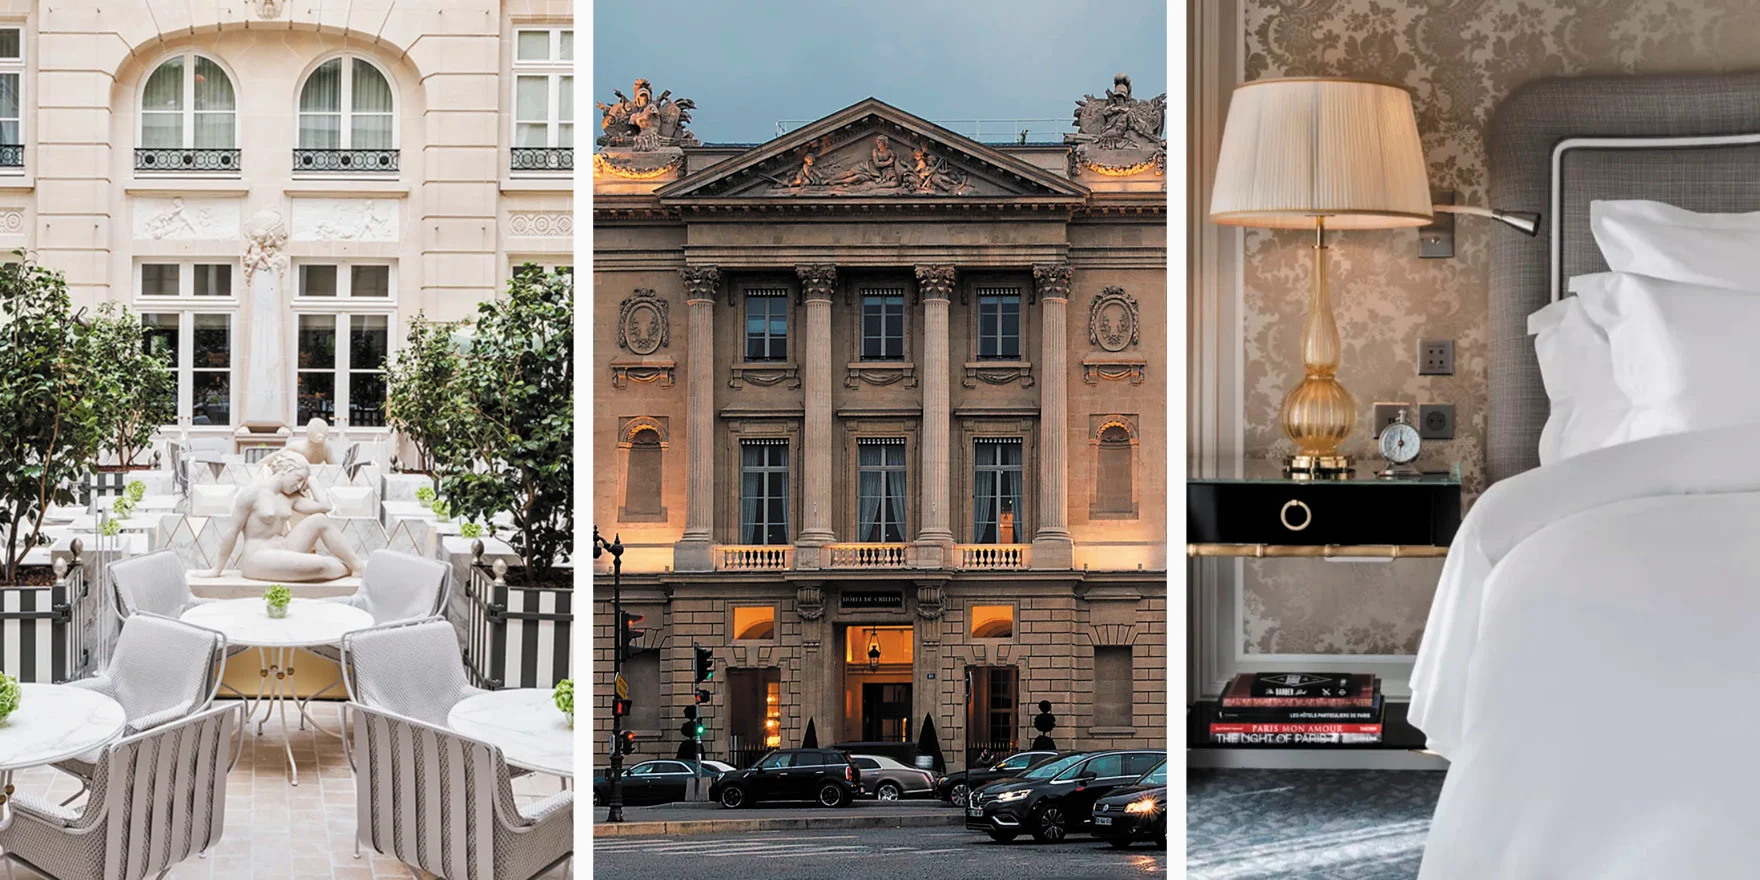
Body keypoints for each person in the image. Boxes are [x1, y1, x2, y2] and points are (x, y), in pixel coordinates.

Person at [200, 451, 363, 582]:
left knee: (319, 520)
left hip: (284, 547)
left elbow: (325, 507)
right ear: (285, 470)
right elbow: (232, 531)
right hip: (258, 556)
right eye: (298, 479)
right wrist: (217, 570)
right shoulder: (252, 493)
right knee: (320, 565)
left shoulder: (290, 497)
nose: (299, 485)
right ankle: (348, 568)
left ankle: (357, 566)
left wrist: (312, 481)